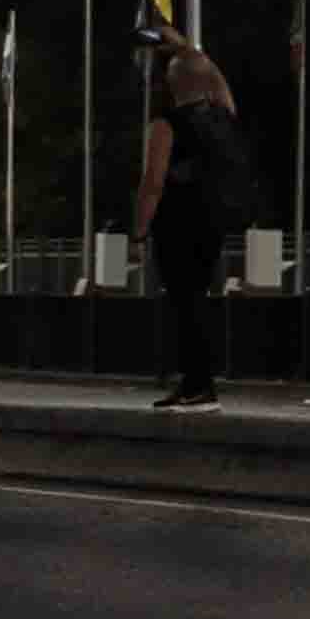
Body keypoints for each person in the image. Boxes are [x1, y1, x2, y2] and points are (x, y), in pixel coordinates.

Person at [133, 38, 255, 411]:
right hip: (213, 220)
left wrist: (138, 231)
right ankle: (196, 384)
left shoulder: (165, 125)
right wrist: (186, 45)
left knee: (184, 305)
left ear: (170, 85)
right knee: (196, 300)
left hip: (176, 223)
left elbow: (152, 184)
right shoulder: (223, 114)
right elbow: (216, 79)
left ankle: (198, 387)